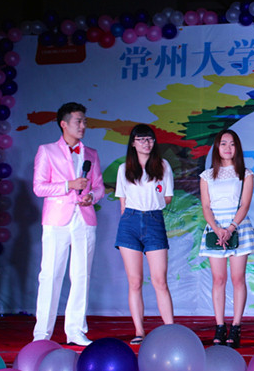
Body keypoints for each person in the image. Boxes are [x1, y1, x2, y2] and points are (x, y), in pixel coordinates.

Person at [32, 102, 105, 346]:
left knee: (81, 275)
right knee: (50, 275)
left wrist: (91, 196)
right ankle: (42, 333)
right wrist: (68, 186)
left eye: (84, 121)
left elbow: (99, 187)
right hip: (57, 219)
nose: (83, 126)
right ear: (64, 124)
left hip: (84, 218)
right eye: (78, 121)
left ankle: (75, 331)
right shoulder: (47, 151)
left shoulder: (91, 153)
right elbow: (39, 187)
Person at [114, 124, 174, 345]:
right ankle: (139, 331)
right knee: (135, 281)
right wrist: (130, 217)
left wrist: (151, 204)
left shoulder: (163, 165)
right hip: (129, 222)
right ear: (133, 143)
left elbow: (168, 197)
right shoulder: (124, 169)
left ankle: (171, 330)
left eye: (149, 139)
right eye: (141, 139)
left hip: (153, 220)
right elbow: (122, 202)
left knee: (160, 280)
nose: (146, 143)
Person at [199, 129, 254, 348]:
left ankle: (236, 326)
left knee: (238, 278)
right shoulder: (206, 176)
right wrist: (217, 229)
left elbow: (244, 204)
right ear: (217, 147)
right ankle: (220, 326)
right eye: (223, 143)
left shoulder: (246, 174)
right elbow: (206, 206)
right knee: (218, 279)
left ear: (237, 148)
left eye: (232, 144)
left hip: (238, 227)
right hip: (215, 228)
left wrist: (231, 228)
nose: (227, 148)